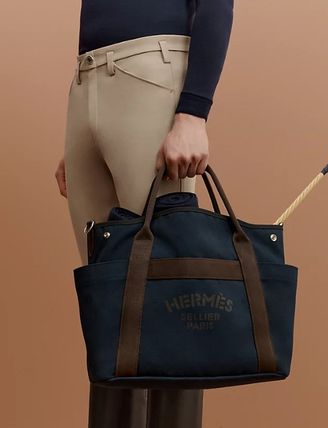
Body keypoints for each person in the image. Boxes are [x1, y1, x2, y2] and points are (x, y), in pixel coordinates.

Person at [53, 1, 234, 427]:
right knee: (109, 304)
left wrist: (193, 113)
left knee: (168, 302)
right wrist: (88, 129)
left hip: (151, 75)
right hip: (87, 82)